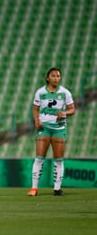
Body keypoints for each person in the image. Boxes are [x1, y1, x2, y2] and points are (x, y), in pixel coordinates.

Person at [27, 68, 75, 197]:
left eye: (58, 76)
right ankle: (34, 188)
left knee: (58, 160)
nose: (56, 78)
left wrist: (64, 113)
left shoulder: (65, 93)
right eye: (53, 76)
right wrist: (37, 120)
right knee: (39, 158)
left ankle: (57, 189)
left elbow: (72, 109)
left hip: (59, 128)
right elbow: (35, 109)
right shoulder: (40, 92)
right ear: (48, 78)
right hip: (45, 128)